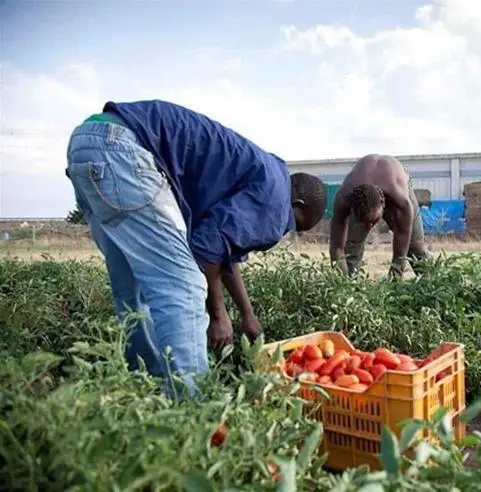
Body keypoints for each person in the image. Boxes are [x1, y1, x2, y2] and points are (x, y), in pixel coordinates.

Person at [65, 99, 327, 396]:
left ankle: (144, 391)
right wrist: (218, 315)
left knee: (133, 289)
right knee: (184, 287)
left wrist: (247, 313)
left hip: (89, 141)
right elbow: (208, 248)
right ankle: (195, 412)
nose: (282, 230)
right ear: (297, 205)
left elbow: (223, 250)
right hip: (125, 151)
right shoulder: (276, 204)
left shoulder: (265, 176)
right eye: (293, 224)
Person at [329, 153, 431, 277]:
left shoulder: (402, 201)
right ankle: (350, 285)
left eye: (372, 221)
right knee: (350, 250)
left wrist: (394, 280)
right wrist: (341, 281)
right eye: (364, 222)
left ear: (383, 203)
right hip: (361, 190)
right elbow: (336, 247)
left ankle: (433, 284)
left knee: (416, 249)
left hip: (396, 180)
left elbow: (400, 254)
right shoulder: (344, 199)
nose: (370, 227)